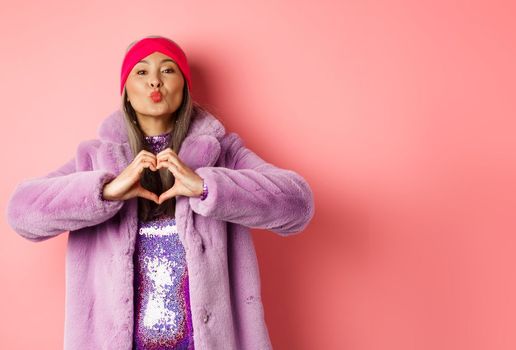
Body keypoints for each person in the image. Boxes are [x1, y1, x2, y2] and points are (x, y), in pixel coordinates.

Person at [6, 35, 315, 350]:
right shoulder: (95, 158)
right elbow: (21, 213)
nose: (154, 81)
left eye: (168, 70)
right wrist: (106, 191)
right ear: (125, 91)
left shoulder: (223, 152)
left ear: (184, 88)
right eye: (141, 72)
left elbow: (298, 204)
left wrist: (207, 186)